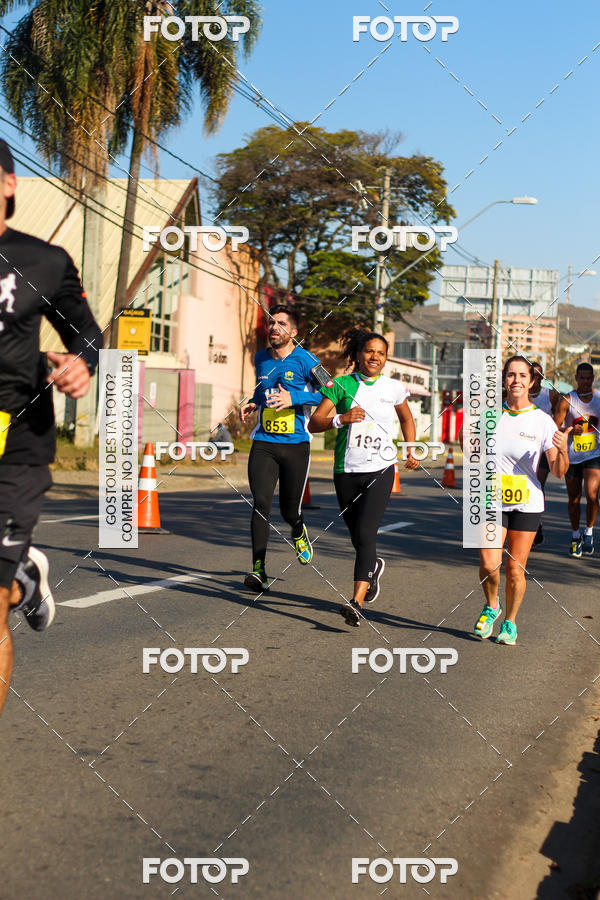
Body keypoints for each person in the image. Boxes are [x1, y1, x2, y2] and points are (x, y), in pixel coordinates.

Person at [0, 139, 102, 714]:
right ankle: (25, 576)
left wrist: (79, 362)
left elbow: (85, 333)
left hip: (15, 439)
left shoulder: (42, 261)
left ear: (9, 185)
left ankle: (11, 578)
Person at [308, 327, 418, 626]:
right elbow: (315, 423)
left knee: (367, 535)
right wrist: (340, 419)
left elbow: (406, 418)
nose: (375, 357)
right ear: (358, 354)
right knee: (358, 537)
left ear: (386, 360)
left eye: (381, 354)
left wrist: (411, 449)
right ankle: (374, 567)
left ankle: (356, 602)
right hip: (346, 470)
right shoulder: (340, 385)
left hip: (381, 469)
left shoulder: (393, 388)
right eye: (370, 351)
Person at [473, 356, 570, 646]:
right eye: (511, 375)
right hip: (490, 497)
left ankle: (510, 622)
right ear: (504, 379)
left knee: (515, 568)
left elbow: (557, 471)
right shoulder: (489, 415)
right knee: (490, 564)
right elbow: (475, 455)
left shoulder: (542, 421)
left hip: (527, 502)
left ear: (531, 382)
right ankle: (492, 605)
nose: (516, 380)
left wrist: (562, 450)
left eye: (522, 375)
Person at [239, 304, 324, 591]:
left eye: (281, 324)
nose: (274, 327)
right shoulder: (260, 358)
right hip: (264, 443)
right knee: (261, 503)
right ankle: (258, 570)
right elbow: (261, 389)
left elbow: (334, 391)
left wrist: (295, 398)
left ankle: (298, 529)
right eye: (271, 323)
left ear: (294, 332)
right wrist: (254, 402)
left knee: (289, 510)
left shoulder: (307, 360)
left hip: (296, 446)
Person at [554, 362, 600, 557]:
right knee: (574, 499)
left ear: (593, 379)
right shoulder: (567, 400)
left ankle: (589, 531)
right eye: (582, 378)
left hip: (594, 455)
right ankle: (575, 536)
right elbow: (554, 427)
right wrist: (570, 429)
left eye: (589, 378)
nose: (586, 381)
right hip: (572, 457)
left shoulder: (599, 398)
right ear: (576, 378)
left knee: (591, 495)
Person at [529, 362, 558, 546]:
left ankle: (536, 522)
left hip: (543, 449)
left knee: (537, 484)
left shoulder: (551, 395)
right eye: (533, 375)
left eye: (539, 376)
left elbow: (559, 416)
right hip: (523, 448)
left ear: (542, 377)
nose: (536, 379)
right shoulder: (518, 393)